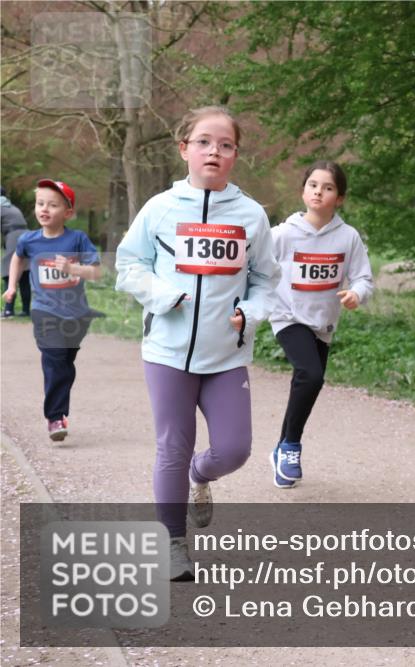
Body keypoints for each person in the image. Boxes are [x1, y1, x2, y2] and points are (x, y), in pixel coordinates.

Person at [115, 106, 280, 581]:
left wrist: (251, 312)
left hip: (226, 355)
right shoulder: (160, 208)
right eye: (204, 142)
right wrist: (162, 296)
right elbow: (129, 265)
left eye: (225, 145)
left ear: (235, 155)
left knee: (235, 450)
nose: (214, 151)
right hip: (168, 352)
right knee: (172, 446)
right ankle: (173, 544)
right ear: (184, 148)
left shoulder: (251, 215)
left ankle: (200, 475)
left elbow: (266, 280)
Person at [268, 160, 374, 488]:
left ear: (339, 198)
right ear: (303, 191)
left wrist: (356, 294)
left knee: (308, 382)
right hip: (287, 316)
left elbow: (364, 278)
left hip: (323, 324)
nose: (318, 192)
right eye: (313, 185)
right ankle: (291, 446)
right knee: (310, 374)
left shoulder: (348, 237)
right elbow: (255, 267)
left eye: (328, 188)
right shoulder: (282, 234)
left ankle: (281, 448)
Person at [3, 179, 102, 440]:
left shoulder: (77, 239)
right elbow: (17, 258)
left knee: (64, 364)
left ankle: (59, 407)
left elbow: (96, 272)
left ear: (68, 212)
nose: (44, 209)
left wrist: (72, 268)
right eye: (40, 204)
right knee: (54, 358)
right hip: (44, 311)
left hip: (76, 313)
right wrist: (12, 287)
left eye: (53, 205)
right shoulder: (29, 240)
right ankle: (55, 418)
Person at [2, 187, 32, 317]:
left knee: (9, 273)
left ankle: (8, 310)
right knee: (24, 274)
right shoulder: (11, 206)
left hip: (14, 237)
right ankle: (25, 310)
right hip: (25, 236)